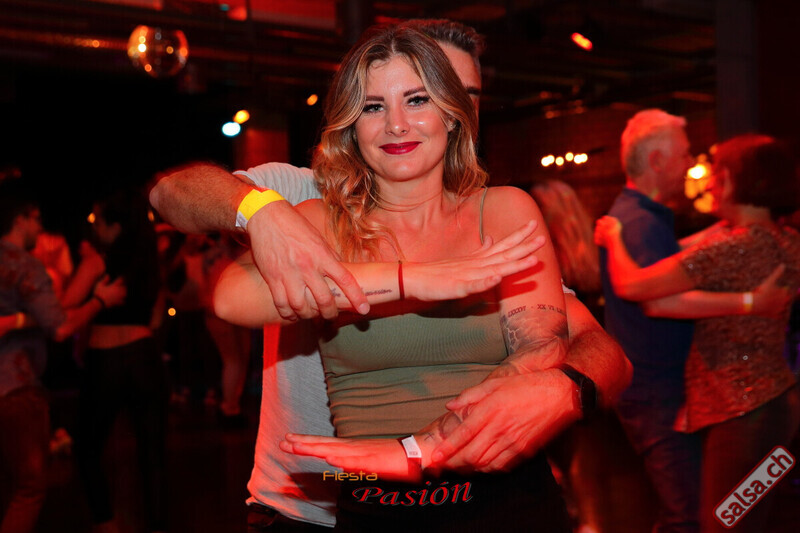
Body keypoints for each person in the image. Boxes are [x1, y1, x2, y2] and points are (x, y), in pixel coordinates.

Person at [150, 19, 630, 530]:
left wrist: (424, 448)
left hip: (506, 500)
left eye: (418, 100)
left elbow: (546, 350)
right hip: (364, 502)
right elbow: (227, 292)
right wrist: (411, 279)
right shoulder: (311, 214)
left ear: (454, 114)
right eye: (373, 107)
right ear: (351, 126)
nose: (397, 124)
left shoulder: (503, 210)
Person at [596, 133, 800, 533]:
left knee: (723, 524)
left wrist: (614, 238)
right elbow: (686, 262)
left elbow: (633, 286)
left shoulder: (734, 248)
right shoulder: (785, 239)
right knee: (748, 519)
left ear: (736, 182)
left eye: (717, 177)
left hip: (741, 415)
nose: (708, 186)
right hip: (779, 411)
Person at [0, 181, 125, 533]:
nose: (40, 229)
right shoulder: (25, 266)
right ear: (20, 220)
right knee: (29, 488)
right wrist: (100, 300)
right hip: (15, 386)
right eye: (36, 220)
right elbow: (60, 327)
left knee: (9, 484)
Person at [74, 188, 168, 533]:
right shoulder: (149, 262)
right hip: (145, 356)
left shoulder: (98, 261)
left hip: (107, 359)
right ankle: (157, 526)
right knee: (152, 454)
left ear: (115, 226)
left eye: (99, 222)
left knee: (87, 448)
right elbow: (156, 318)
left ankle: (106, 524)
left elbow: (64, 307)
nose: (95, 228)